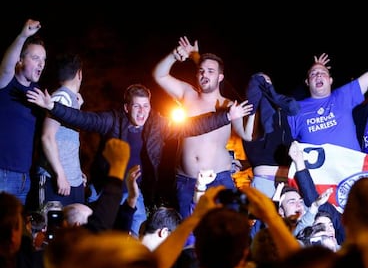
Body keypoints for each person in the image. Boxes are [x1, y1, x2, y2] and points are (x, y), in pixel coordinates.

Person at [26, 83, 251, 237]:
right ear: (127, 107)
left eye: (146, 106)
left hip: (133, 190)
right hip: (106, 186)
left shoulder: (157, 124)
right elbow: (83, 118)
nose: (142, 112)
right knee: (100, 231)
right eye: (136, 106)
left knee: (138, 228)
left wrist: (226, 116)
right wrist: (52, 106)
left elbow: (192, 126)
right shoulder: (112, 121)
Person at [153, 36, 253, 221]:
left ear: (220, 77)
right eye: (201, 71)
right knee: (189, 232)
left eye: (210, 71)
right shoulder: (187, 94)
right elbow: (159, 75)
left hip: (220, 179)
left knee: (231, 227)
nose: (204, 75)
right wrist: (174, 56)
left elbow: (246, 135)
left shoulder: (228, 105)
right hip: (187, 181)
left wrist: (253, 110)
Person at [287, 20, 368, 151]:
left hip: (352, 170)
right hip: (317, 171)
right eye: (313, 74)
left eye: (323, 73)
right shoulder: (296, 109)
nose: (318, 75)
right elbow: (280, 140)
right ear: (307, 82)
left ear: (331, 80)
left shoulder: (343, 96)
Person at [0, 19, 46, 204]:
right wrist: (23, 36)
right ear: (20, 59)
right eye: (35, 58)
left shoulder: (38, 93)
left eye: (43, 59)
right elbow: (5, 68)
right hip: (2, 174)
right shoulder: (6, 84)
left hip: (24, 179)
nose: (41, 64)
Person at [37, 53, 85, 207]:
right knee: (52, 229)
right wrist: (61, 174)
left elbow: (67, 139)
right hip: (56, 181)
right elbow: (47, 137)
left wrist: (77, 174)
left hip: (72, 181)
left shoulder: (71, 99)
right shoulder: (60, 97)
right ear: (79, 74)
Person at [242, 72, 300, 197]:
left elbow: (295, 106)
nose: (264, 84)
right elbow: (249, 139)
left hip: (287, 180)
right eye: (260, 81)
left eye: (267, 82)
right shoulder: (249, 111)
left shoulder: (282, 109)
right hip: (264, 181)